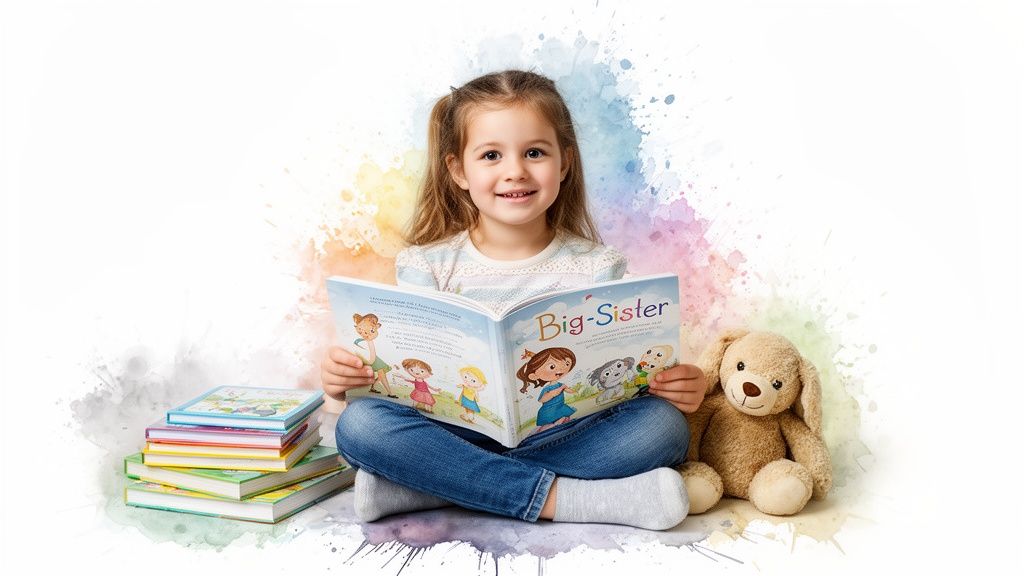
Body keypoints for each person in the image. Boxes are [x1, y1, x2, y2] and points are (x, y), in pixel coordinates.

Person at [321, 70, 707, 530]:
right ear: (458, 171)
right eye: (491, 155)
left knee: (662, 426)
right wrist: (344, 380)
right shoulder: (427, 267)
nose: (515, 171)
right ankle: (570, 501)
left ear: (564, 163)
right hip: (454, 434)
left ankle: (421, 486)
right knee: (361, 424)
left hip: (565, 435)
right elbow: (402, 381)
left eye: (535, 153)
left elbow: (626, 377)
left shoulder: (596, 266)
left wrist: (680, 384)